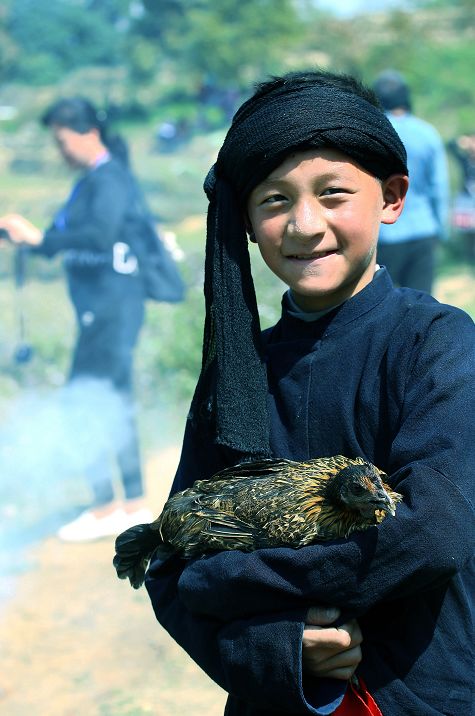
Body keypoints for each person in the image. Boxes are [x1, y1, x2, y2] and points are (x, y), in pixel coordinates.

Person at [143, 70, 475, 715]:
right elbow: (170, 561)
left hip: (427, 690)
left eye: (333, 194)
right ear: (244, 218)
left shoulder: (436, 343)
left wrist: (227, 576)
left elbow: (434, 533)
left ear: (392, 196)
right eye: (273, 200)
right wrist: (273, 647)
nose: (303, 225)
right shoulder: (240, 377)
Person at [0, 97, 155, 541]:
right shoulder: (97, 179)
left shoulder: (107, 178)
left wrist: (42, 238)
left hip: (111, 309)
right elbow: (77, 239)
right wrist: (32, 240)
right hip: (110, 309)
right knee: (112, 402)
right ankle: (131, 504)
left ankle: (108, 505)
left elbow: (98, 235)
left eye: (62, 141)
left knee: (83, 402)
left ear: (88, 133)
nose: (60, 151)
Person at [372, 69, 449, 293]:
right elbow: (439, 187)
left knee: (380, 304)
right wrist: (440, 229)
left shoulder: (374, 133)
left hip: (384, 233)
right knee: (421, 305)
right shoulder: (427, 133)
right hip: (423, 231)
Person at [447, 131, 475, 263]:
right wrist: (462, 141)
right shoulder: (465, 159)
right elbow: (450, 146)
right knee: (467, 232)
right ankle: (469, 258)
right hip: (467, 201)